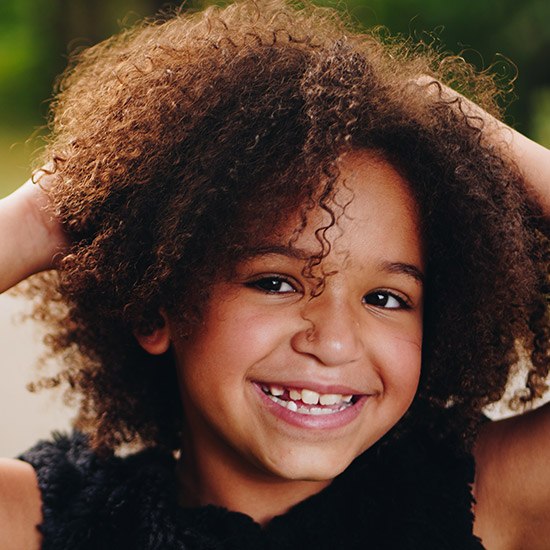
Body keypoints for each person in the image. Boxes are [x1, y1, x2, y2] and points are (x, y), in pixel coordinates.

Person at [0, 1, 549, 548]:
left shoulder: (482, 499)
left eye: (385, 297)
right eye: (276, 283)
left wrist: (467, 126)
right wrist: (46, 217)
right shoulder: (45, 521)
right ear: (153, 307)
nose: (333, 343)